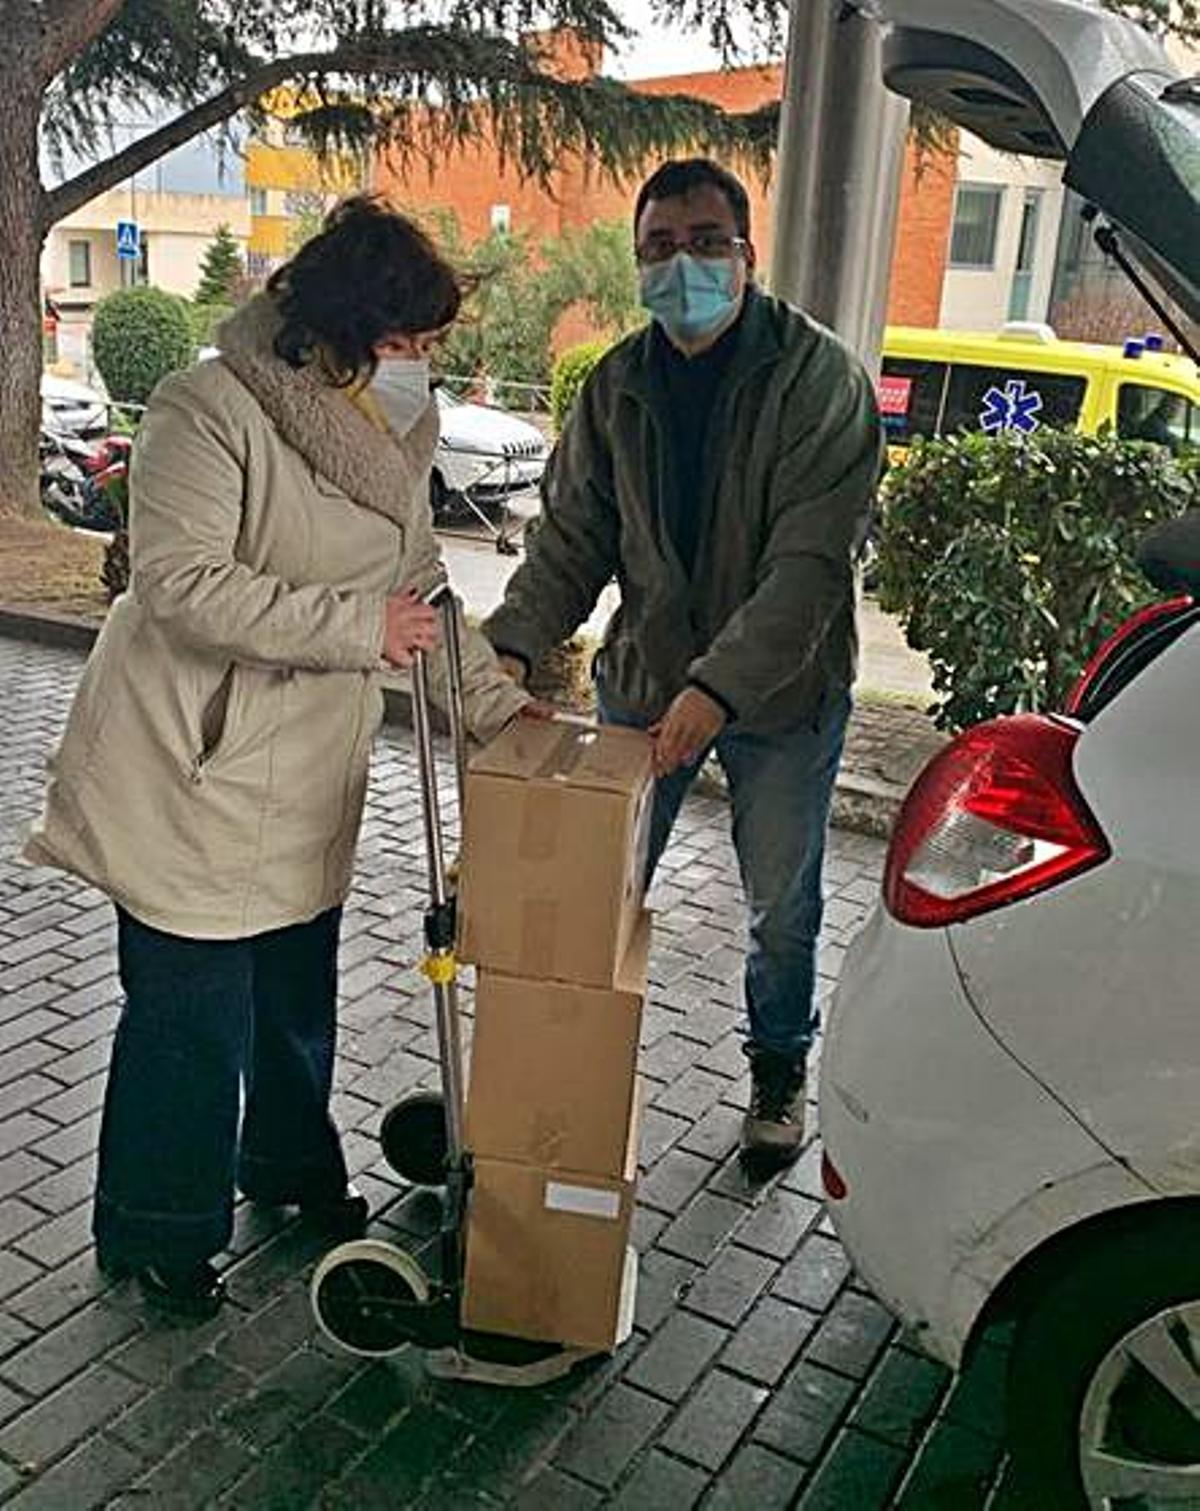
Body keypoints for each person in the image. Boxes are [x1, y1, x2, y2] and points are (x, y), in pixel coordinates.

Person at [25, 197, 529, 1319]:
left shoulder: (396, 434)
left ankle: (291, 1168)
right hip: (190, 765)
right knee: (188, 1018)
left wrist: (496, 709)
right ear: (343, 328)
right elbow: (178, 580)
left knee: (295, 999)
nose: (422, 365)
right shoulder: (207, 408)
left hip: (306, 775)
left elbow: (423, 600)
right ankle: (158, 1224)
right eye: (409, 341)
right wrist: (358, 631)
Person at [484, 159, 884, 1170]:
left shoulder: (819, 378)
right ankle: (562, 1074)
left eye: (707, 241)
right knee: (594, 890)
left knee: (781, 905)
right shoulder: (617, 383)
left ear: (748, 254)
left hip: (782, 693)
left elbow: (809, 565)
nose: (684, 264)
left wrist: (720, 686)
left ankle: (778, 1069)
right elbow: (572, 538)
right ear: (639, 264)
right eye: (659, 248)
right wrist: (511, 644)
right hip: (646, 682)